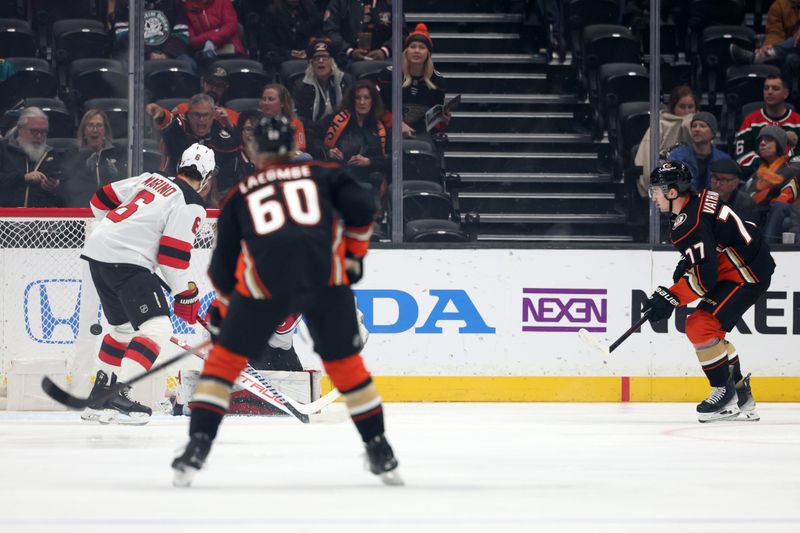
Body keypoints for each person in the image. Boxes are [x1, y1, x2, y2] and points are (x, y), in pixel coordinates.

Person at [171, 116, 401, 487]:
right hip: (324, 280)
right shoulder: (324, 175)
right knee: (347, 369)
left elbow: (224, 269)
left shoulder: (242, 193)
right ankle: (380, 449)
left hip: (266, 285)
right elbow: (363, 206)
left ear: (253, 151)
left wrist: (221, 316)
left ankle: (197, 448)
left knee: (222, 366)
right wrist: (354, 255)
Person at [79, 143, 216, 425]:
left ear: (180, 164)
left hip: (97, 252)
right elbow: (172, 257)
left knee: (123, 329)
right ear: (207, 177)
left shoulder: (151, 177)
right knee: (158, 328)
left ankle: (99, 400)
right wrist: (186, 295)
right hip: (126, 261)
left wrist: (122, 236)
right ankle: (120, 395)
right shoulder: (191, 202)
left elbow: (99, 200)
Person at [644, 160, 774, 422]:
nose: (653, 197)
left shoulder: (686, 225)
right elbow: (715, 236)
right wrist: (690, 260)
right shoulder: (699, 200)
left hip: (745, 274)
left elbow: (704, 279)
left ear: (672, 192)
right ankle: (742, 395)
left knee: (700, 326)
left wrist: (671, 298)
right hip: (745, 263)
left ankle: (724, 393)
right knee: (710, 331)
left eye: (656, 191)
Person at [146, 93, 240, 198]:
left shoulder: (224, 139)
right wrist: (160, 114)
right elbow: (167, 121)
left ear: (213, 115)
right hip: (173, 193)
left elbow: (228, 178)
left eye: (205, 115)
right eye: (196, 115)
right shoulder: (178, 128)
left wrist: (229, 125)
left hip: (213, 199)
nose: (201, 120)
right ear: (188, 114)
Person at [324, 79, 389, 204]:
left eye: (366, 98)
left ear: (373, 101)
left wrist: (369, 161)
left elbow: (393, 157)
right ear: (351, 101)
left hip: (370, 177)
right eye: (358, 98)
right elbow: (311, 137)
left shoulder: (380, 126)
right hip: (339, 173)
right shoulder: (337, 120)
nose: (362, 102)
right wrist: (328, 151)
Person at [635, 84, 698, 197]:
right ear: (673, 107)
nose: (687, 111)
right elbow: (647, 159)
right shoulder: (660, 125)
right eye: (682, 107)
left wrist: (688, 126)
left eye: (691, 106)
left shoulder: (702, 127)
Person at [734, 75, 800, 172]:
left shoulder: (798, 121)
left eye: (775, 88)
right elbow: (742, 155)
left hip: (793, 177)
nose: (769, 92)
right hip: (758, 177)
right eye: (766, 88)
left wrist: (788, 168)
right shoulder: (750, 120)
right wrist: (764, 168)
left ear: (785, 93)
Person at [0, 107, 63, 207]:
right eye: (34, 131)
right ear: (20, 128)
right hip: (6, 216)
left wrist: (55, 187)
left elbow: (68, 193)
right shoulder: (3, 149)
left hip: (40, 218)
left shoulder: (51, 154)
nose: (39, 136)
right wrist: (23, 178)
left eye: (43, 132)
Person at [59, 109, 123, 208]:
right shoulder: (73, 153)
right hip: (81, 210)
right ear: (84, 131)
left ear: (105, 130)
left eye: (99, 125)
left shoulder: (117, 151)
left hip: (110, 210)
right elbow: (68, 187)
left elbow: (124, 182)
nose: (95, 130)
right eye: (90, 125)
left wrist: (114, 173)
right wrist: (86, 168)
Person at [729, 2, 800, 86]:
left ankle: (757, 57)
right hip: (789, 55)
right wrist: (770, 45)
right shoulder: (780, 5)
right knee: (791, 59)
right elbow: (775, 32)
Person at [292, 38, 353, 133]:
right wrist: (321, 127)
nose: (320, 61)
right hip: (312, 132)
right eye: (316, 58)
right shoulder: (301, 85)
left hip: (343, 132)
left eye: (325, 57)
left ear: (332, 62)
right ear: (311, 63)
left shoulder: (346, 81)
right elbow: (298, 118)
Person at [111, 0, 194, 70]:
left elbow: (181, 34)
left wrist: (167, 53)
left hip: (169, 53)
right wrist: (147, 53)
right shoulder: (124, 2)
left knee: (188, 64)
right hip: (136, 54)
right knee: (123, 65)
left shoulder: (175, 2)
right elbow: (123, 35)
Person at [666, 112, 732, 191]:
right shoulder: (676, 157)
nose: (697, 129)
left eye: (702, 126)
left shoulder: (724, 160)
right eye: (694, 126)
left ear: (713, 133)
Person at [744, 126, 797, 221]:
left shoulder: (792, 172)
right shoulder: (757, 175)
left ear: (779, 145)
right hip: (752, 222)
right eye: (760, 140)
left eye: (768, 139)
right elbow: (741, 199)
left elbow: (781, 206)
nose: (762, 143)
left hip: (777, 226)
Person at [256, 0, 323, 73]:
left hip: (306, 56)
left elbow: (317, 38)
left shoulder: (310, 11)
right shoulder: (272, 13)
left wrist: (307, 51)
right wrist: (289, 53)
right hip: (281, 57)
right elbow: (266, 44)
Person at [323, 0, 394, 65]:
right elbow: (330, 31)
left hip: (386, 59)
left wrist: (385, 50)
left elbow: (401, 31)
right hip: (347, 60)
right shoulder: (340, 2)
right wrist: (349, 51)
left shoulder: (390, 3)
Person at [171, 67, 240, 128]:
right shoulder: (183, 109)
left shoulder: (233, 116)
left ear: (225, 88)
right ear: (202, 82)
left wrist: (228, 124)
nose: (214, 89)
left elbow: (241, 140)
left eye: (219, 85)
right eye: (210, 83)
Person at [258, 83, 311, 158]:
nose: (266, 103)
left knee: (305, 157)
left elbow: (299, 149)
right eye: (264, 99)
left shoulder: (295, 123)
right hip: (261, 160)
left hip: (287, 160)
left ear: (282, 103)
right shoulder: (255, 122)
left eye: (271, 99)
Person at [708, 158, 758, 223]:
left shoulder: (745, 203)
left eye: (723, 180)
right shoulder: (702, 198)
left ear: (735, 183)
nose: (717, 184)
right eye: (714, 178)